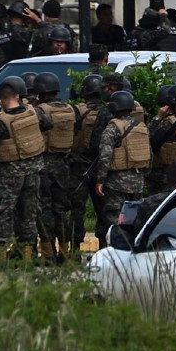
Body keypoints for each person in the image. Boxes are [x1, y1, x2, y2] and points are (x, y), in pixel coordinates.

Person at [0, 76, 53, 260]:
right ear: (18, 96)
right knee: (29, 214)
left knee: (4, 212)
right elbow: (48, 124)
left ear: (0, 101)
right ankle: (27, 255)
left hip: (11, 175)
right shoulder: (34, 112)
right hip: (34, 170)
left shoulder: (0, 122)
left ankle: (0, 256)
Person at [93, 90, 150, 248]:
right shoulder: (141, 126)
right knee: (135, 217)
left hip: (116, 182)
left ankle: (114, 252)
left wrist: (100, 180)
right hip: (138, 181)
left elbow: (105, 156)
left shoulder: (112, 128)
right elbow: (149, 154)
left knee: (114, 219)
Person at [33, 72, 77, 261]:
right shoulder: (69, 109)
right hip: (63, 164)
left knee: (44, 208)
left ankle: (48, 251)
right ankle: (66, 251)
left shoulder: (39, 110)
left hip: (44, 163)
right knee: (61, 209)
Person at [68, 74, 107, 254]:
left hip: (79, 166)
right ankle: (104, 248)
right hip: (101, 166)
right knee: (102, 209)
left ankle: (75, 249)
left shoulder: (77, 110)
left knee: (77, 209)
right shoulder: (108, 111)